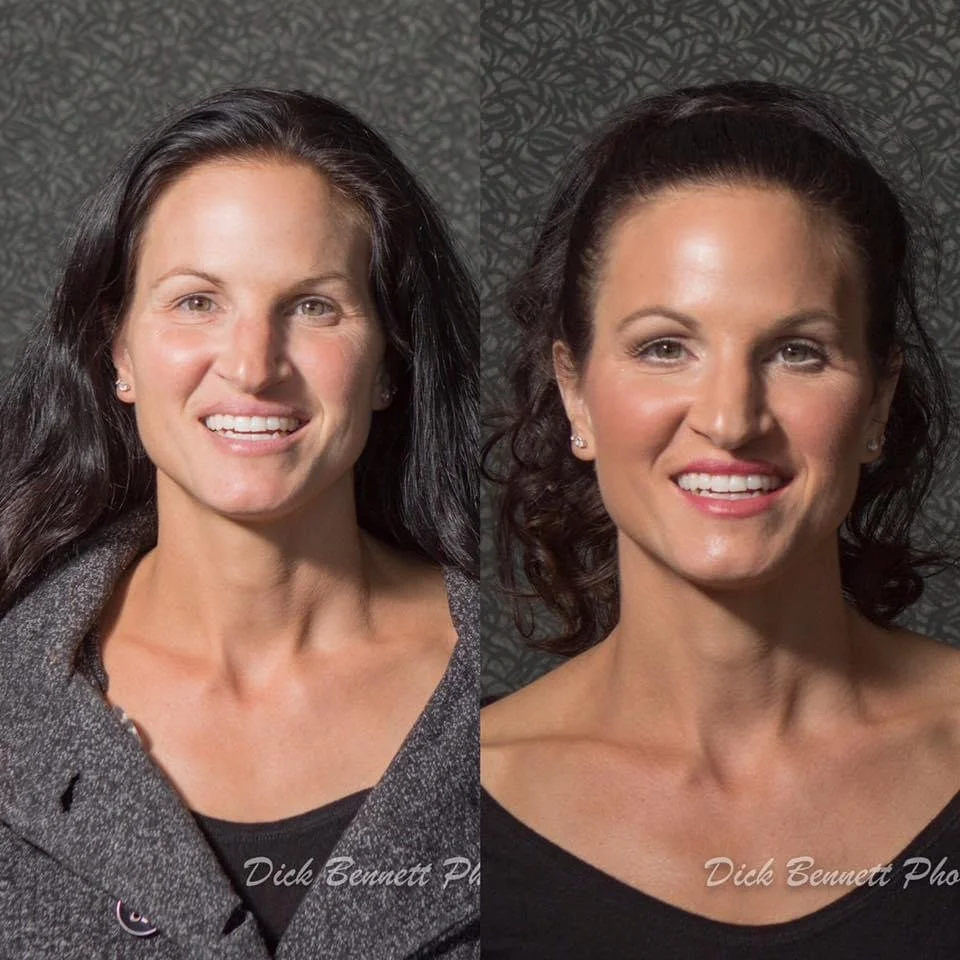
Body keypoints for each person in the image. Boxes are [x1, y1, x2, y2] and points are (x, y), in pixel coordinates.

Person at [481, 80, 960, 958]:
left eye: (796, 351)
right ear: (575, 392)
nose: (732, 418)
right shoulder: (451, 796)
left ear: (880, 400)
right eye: (666, 347)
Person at [0, 87, 478, 958]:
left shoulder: (524, 698)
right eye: (196, 302)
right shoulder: (14, 696)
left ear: (387, 362)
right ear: (118, 353)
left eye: (313, 306)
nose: (253, 365)